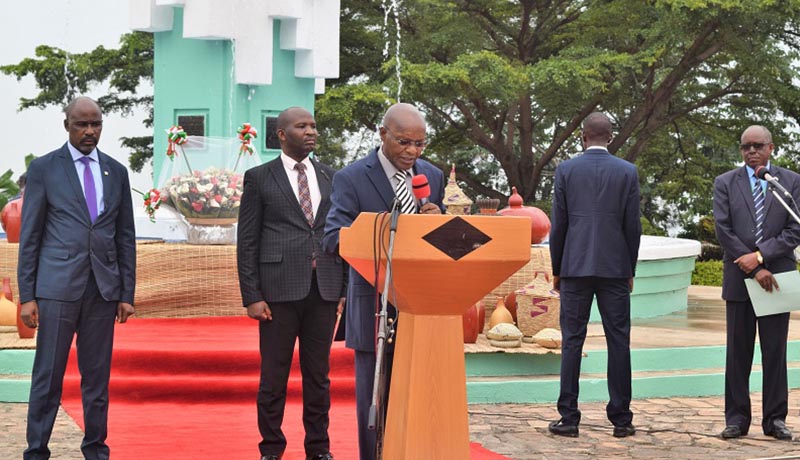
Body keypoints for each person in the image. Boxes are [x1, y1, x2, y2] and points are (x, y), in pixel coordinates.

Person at [322, 102, 445, 460]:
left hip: (423, 308)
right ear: (383, 134)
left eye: (420, 144)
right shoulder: (352, 177)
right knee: (374, 401)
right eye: (404, 142)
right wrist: (383, 228)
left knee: (418, 398)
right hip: (374, 305)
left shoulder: (432, 178)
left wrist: (436, 222)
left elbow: (445, 243)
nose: (412, 152)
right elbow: (333, 238)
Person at [18, 96, 136, 460]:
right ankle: (36, 450)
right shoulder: (44, 169)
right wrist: (27, 295)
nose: (89, 131)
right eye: (81, 124)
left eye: (96, 124)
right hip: (56, 290)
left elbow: (125, 236)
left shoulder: (116, 172)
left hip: (103, 291)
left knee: (96, 379)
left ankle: (96, 449)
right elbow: (31, 235)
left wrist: (125, 292)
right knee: (48, 377)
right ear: (66, 124)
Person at [237, 107, 346, 460]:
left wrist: (342, 289)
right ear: (281, 134)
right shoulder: (259, 177)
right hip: (277, 293)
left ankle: (319, 448)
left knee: (319, 377)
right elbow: (248, 241)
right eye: (301, 126)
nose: (311, 131)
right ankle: (271, 449)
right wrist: (252, 296)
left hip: (324, 290)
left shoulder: (332, 177)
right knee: (274, 378)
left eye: (313, 125)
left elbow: (339, 236)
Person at [548, 112, 641, 438]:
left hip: (574, 267)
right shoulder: (627, 172)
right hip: (615, 268)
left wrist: (557, 269)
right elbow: (633, 226)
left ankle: (569, 418)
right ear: (610, 138)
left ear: (582, 138)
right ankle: (621, 418)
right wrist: (629, 268)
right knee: (619, 341)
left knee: (572, 341)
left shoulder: (566, 170)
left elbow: (558, 225)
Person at [713, 125, 800, 441]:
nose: (751, 152)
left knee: (775, 352)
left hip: (777, 279)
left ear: (771, 148)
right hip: (740, 280)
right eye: (746, 147)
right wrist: (751, 267)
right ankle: (736, 419)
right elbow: (723, 230)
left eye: (757, 146)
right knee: (738, 352)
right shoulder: (726, 183)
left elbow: (795, 228)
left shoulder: (790, 183)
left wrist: (761, 257)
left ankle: (775, 420)